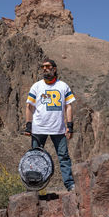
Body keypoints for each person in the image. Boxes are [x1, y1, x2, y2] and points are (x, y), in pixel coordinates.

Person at [25, 59, 76, 191]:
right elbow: (29, 106)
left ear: (54, 69)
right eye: (43, 67)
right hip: (38, 128)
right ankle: (33, 186)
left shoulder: (63, 86)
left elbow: (68, 106)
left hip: (58, 129)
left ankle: (70, 184)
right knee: (35, 158)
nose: (44, 69)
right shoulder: (36, 87)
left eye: (47, 66)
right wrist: (28, 126)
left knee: (64, 157)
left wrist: (70, 126)